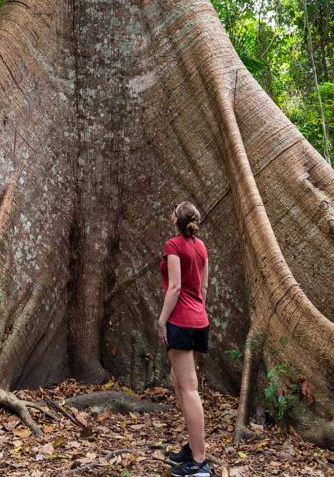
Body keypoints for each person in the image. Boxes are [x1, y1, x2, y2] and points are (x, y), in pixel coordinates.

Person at [158, 201, 211, 477]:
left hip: (180, 320)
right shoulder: (201, 247)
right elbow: (202, 286)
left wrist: (162, 320)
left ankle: (200, 463)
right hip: (199, 320)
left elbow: (176, 286)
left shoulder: (173, 245)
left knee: (189, 388)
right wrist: (197, 310)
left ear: (175, 218)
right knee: (178, 381)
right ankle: (193, 447)